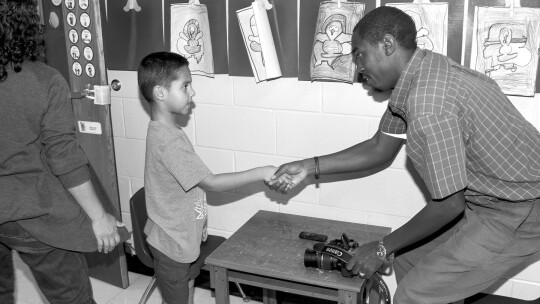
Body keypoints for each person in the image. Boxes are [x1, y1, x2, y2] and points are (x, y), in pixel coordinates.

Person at [267, 6, 540, 304]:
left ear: (386, 45)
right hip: (491, 201)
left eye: (359, 54)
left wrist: (381, 247)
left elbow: (449, 204)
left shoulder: (428, 104)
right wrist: (309, 167)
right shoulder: (420, 72)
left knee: (414, 294)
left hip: (520, 210)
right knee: (407, 258)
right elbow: (379, 149)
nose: (357, 66)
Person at [0, 1, 124, 304]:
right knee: (73, 299)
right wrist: (99, 218)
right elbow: (64, 157)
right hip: (33, 215)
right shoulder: (43, 80)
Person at [138, 51, 286, 304]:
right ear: (160, 93)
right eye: (185, 86)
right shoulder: (168, 141)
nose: (192, 92)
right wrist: (261, 172)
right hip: (172, 245)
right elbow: (211, 182)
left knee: (187, 285)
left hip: (185, 238)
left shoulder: (168, 129)